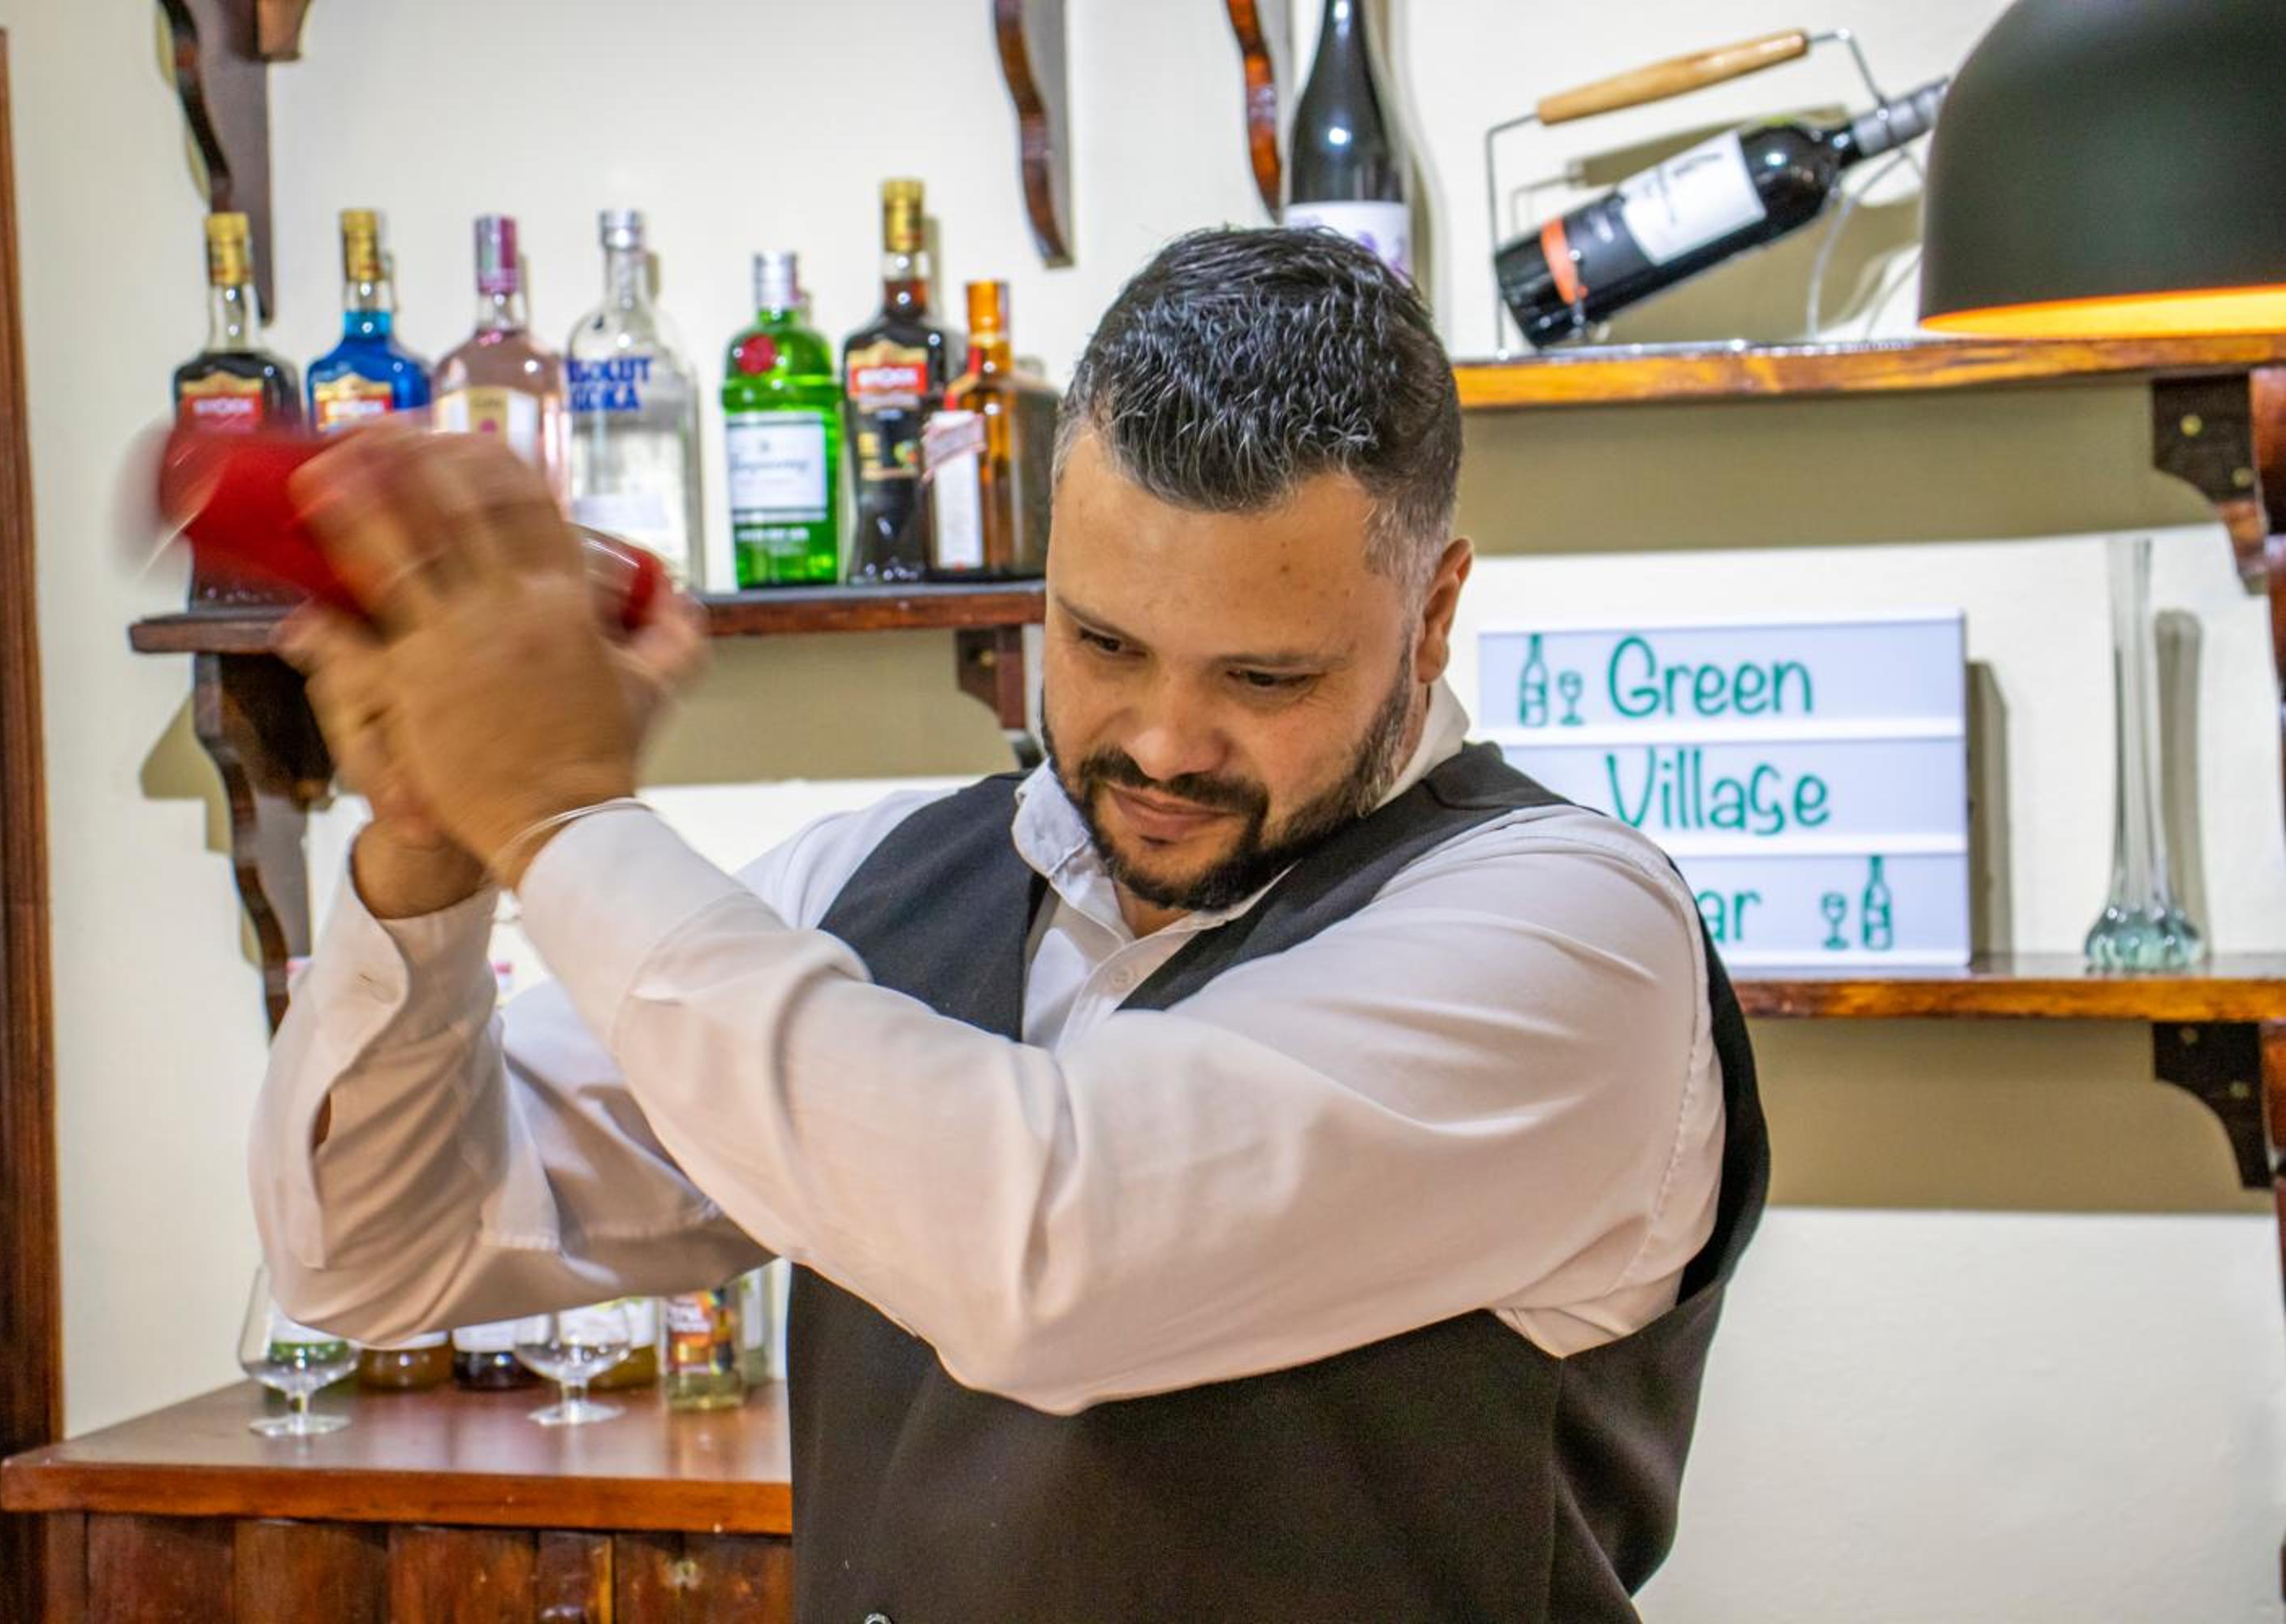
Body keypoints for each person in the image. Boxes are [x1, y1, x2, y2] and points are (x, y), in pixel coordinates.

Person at [251, 227, 1766, 1622]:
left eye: (1264, 679)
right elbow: (388, 1258)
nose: (1163, 742)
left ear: (1431, 617)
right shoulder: (874, 878)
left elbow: (1055, 1246)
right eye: (1103, 641)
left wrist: (556, 814)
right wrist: (434, 842)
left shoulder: (1570, 933)